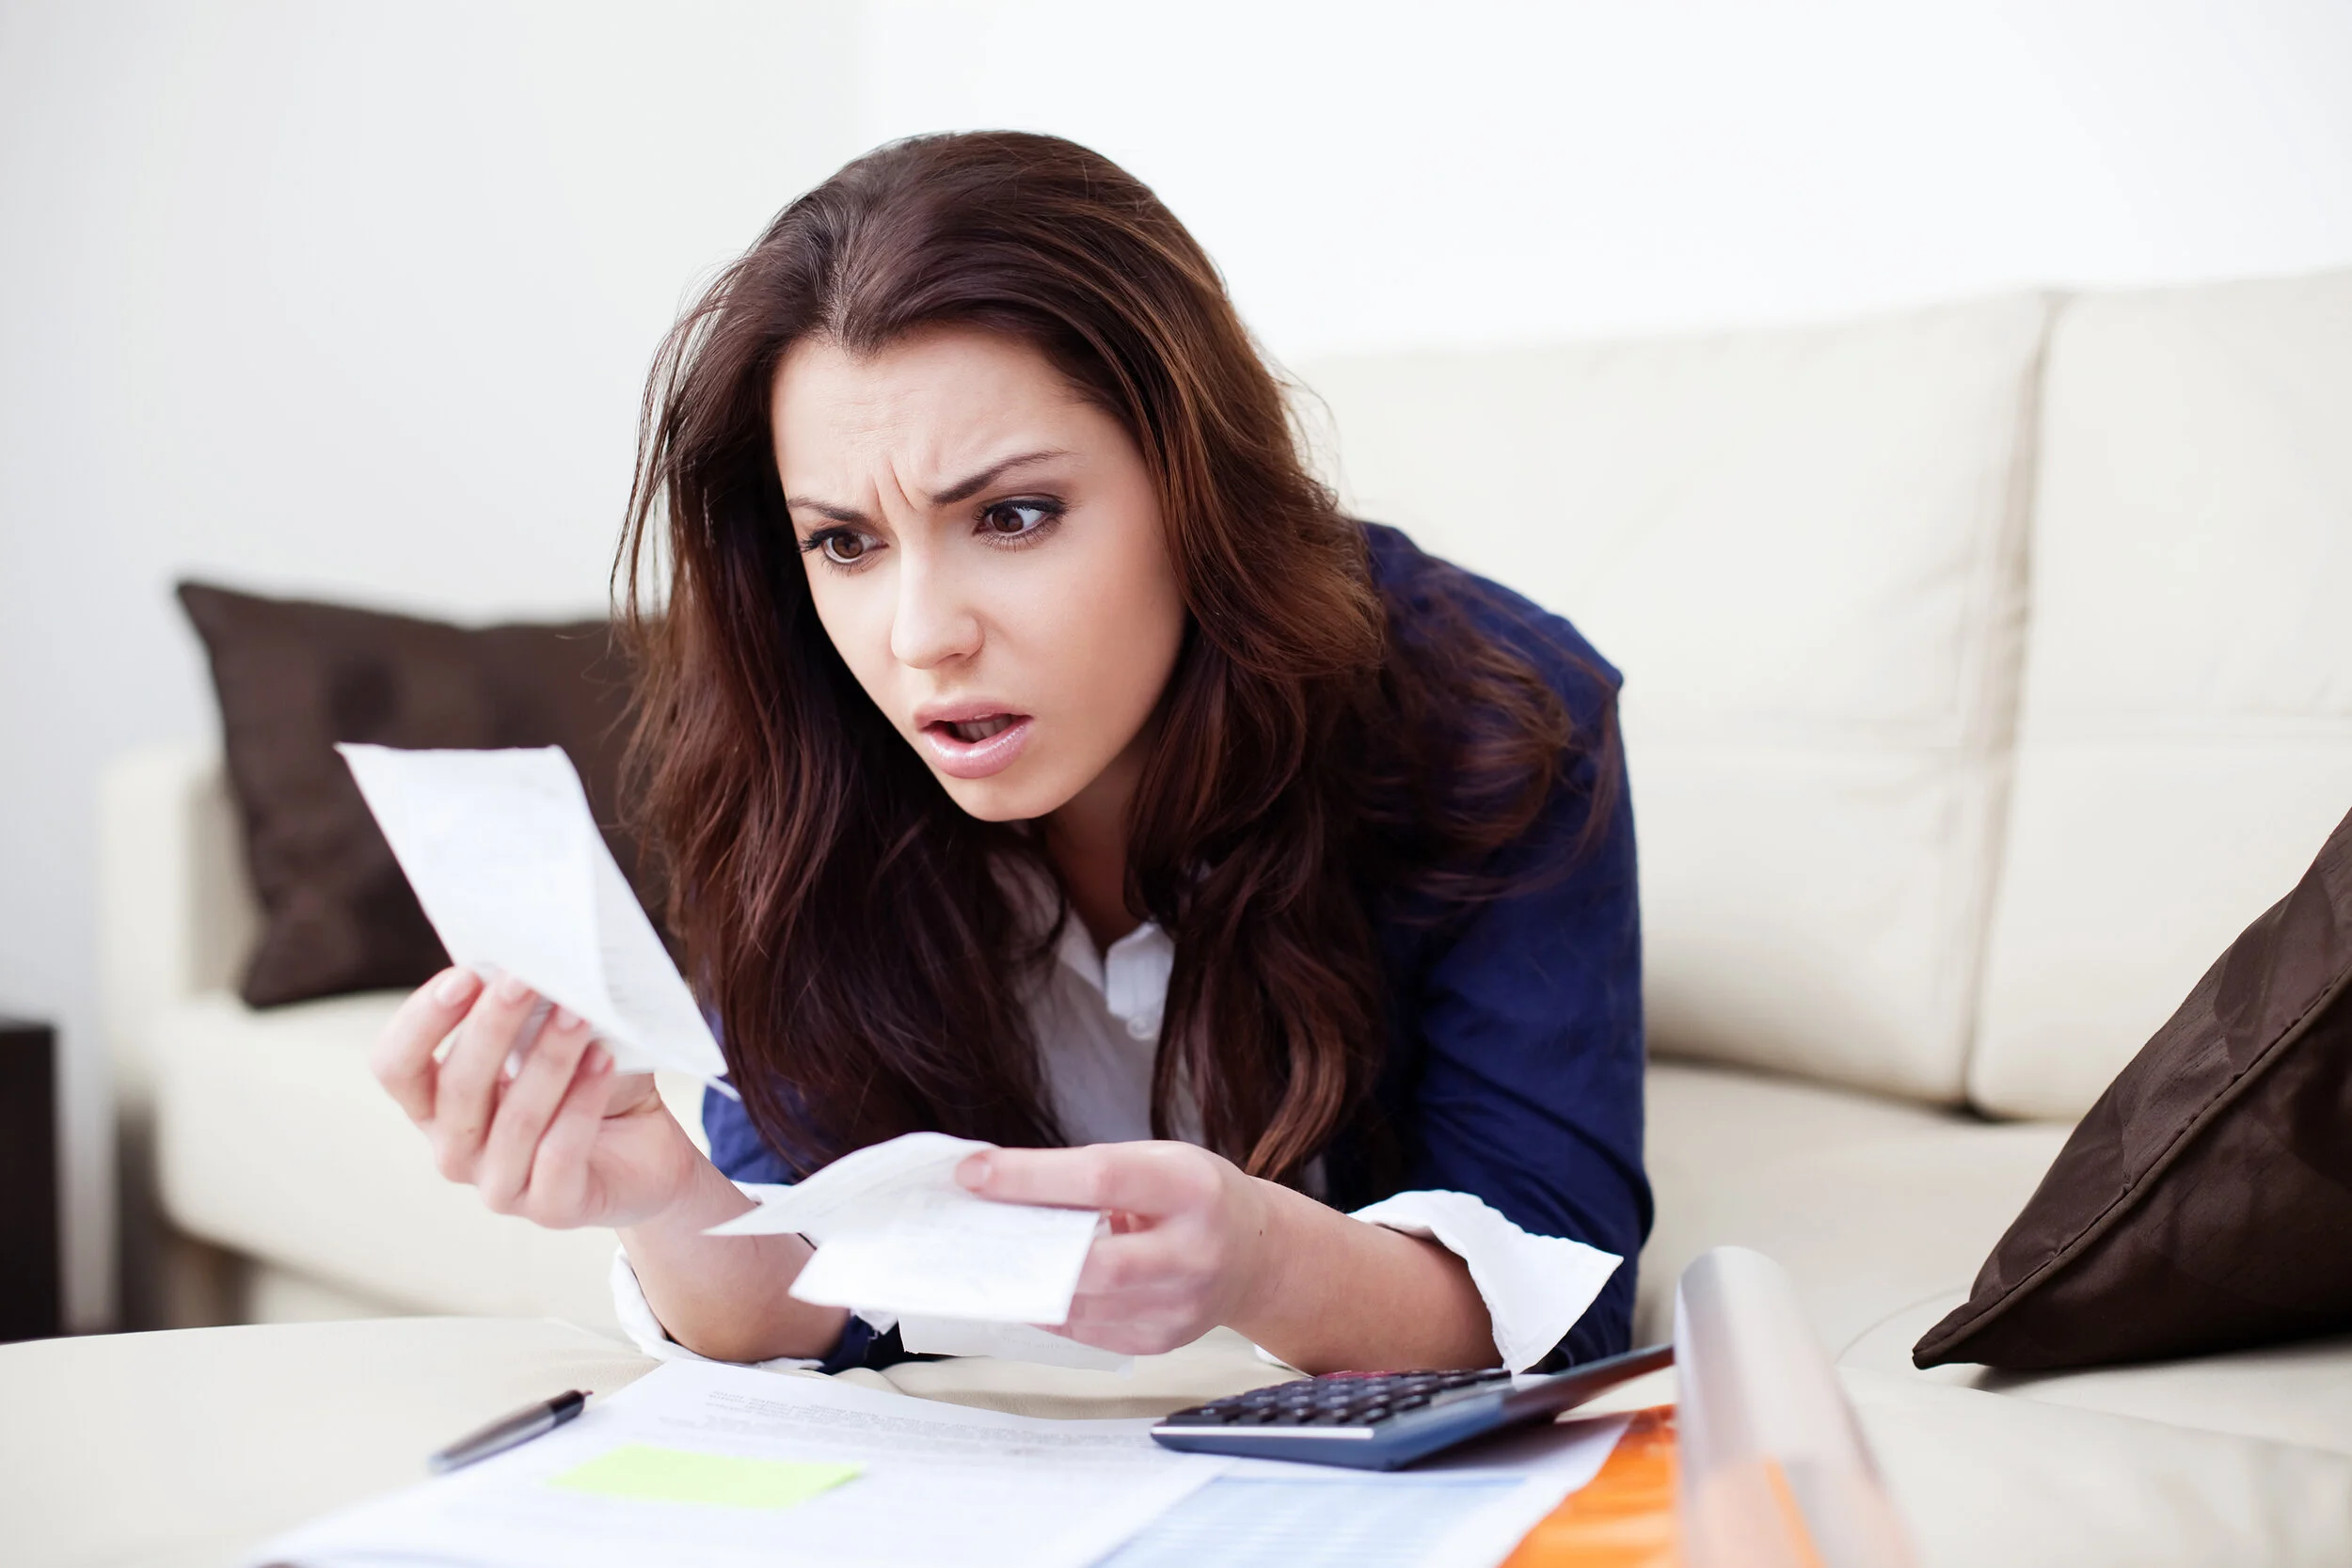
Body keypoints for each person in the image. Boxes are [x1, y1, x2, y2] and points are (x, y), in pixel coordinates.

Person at [368, 131, 1646, 1378]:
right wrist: (656, 1195)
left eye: (1014, 515)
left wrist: (1259, 1256)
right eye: (845, 542)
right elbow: (817, 1290)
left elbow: (1558, 1294)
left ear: (1198, 487)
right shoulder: (807, 737)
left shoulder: (1492, 710)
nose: (921, 638)